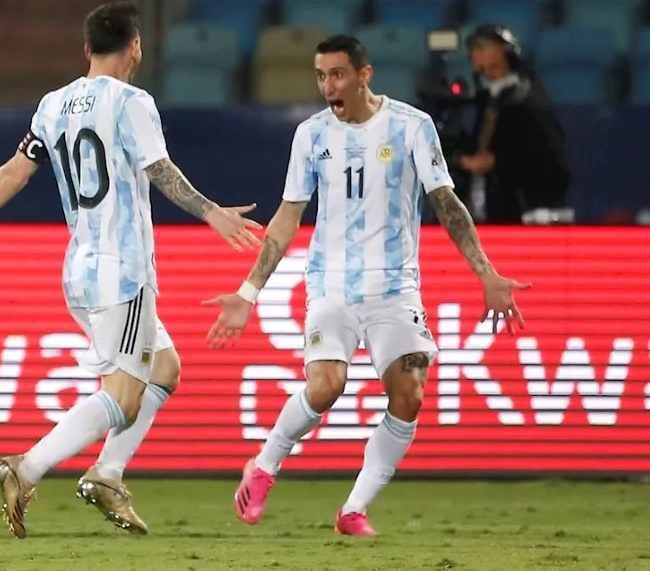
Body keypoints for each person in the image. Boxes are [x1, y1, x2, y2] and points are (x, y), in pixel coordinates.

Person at [0, 0, 261, 539]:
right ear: (136, 46)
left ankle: (107, 473)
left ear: (86, 50)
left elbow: (15, 171)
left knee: (163, 369)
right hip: (122, 271)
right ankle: (26, 467)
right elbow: (159, 170)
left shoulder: (53, 104)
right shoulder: (132, 102)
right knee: (122, 395)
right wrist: (212, 212)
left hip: (80, 268)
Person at [203, 35, 530, 536]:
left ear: (364, 74)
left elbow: (447, 204)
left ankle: (353, 509)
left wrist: (485, 273)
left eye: (336, 74)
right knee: (326, 386)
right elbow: (288, 217)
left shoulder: (411, 127)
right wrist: (248, 293)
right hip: (331, 284)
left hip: (395, 287)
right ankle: (264, 466)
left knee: (410, 392)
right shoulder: (311, 136)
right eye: (320, 76)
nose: (327, 86)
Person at [458, 24, 571, 224]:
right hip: (485, 207)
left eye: (484, 47)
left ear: (505, 53)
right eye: (475, 49)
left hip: (521, 208)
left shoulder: (529, 100)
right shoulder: (484, 99)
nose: (477, 54)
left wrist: (497, 162)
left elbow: (545, 156)